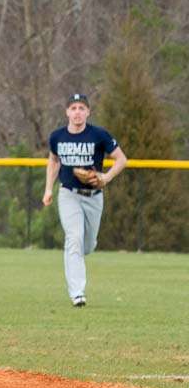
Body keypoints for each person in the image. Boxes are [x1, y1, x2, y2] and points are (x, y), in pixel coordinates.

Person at [42, 93, 127, 307]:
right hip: (69, 194)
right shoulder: (57, 137)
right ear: (67, 112)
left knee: (86, 246)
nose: (77, 112)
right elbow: (53, 162)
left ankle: (88, 246)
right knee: (74, 238)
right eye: (73, 108)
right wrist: (48, 190)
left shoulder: (99, 135)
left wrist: (106, 177)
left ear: (88, 111)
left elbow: (121, 159)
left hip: (93, 197)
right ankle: (77, 293)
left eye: (81, 108)